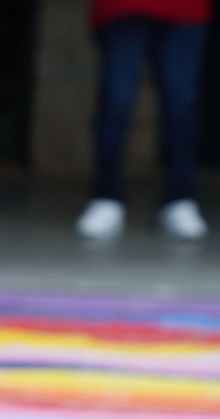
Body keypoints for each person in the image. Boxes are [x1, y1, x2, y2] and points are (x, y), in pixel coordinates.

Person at [75, 0, 212, 240]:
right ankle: (106, 197)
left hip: (185, 10)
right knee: (115, 101)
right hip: (121, 8)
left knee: (180, 104)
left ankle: (180, 199)